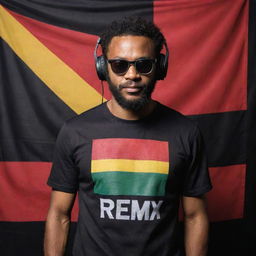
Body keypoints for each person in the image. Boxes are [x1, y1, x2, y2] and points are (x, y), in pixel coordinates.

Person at [44, 17, 212, 256]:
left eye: (143, 65)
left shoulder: (186, 132)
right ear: (103, 68)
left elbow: (195, 217)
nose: (132, 75)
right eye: (119, 65)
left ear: (160, 67)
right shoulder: (75, 132)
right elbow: (59, 214)